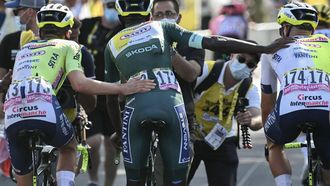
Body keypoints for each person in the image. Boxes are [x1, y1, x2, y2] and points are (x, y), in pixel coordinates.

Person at [105, 0, 291, 185]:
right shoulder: (162, 28)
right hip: (173, 110)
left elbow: (111, 99)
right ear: (149, 16)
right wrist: (263, 48)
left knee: (134, 179)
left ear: (121, 19)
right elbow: (216, 42)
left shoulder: (111, 45)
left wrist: (120, 131)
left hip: (137, 112)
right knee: (177, 180)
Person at [4, 3, 155, 186]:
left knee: (24, 181)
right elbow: (80, 84)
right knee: (69, 148)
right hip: (43, 103)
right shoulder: (70, 46)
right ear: (68, 31)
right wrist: (123, 88)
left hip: (12, 111)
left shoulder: (24, 50)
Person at [260, 2, 330, 186]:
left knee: (274, 144)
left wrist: (269, 135)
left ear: (286, 27)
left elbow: (267, 104)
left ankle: (284, 184)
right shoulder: (328, 44)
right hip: (325, 112)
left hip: (290, 113)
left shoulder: (270, 49)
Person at [150, 0, 205, 185]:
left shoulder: (192, 42)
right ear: (151, 18)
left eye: (169, 14)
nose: (164, 18)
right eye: (158, 15)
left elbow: (190, 74)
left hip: (182, 120)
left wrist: (169, 49)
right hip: (149, 119)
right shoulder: (143, 43)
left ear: (178, 17)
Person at [187, 51, 262, 186]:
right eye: (241, 59)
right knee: (175, 180)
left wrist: (250, 120)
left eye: (250, 64)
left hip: (221, 140)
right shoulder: (206, 70)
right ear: (232, 56)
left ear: (254, 68)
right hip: (190, 136)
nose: (244, 65)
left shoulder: (248, 87)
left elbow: (258, 119)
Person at [78, 0, 123, 185]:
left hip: (115, 93)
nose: (111, 9)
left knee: (112, 146)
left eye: (115, 6)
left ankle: (108, 184)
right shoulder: (89, 24)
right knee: (93, 142)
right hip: (91, 92)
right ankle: (94, 180)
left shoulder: (124, 29)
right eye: (109, 5)